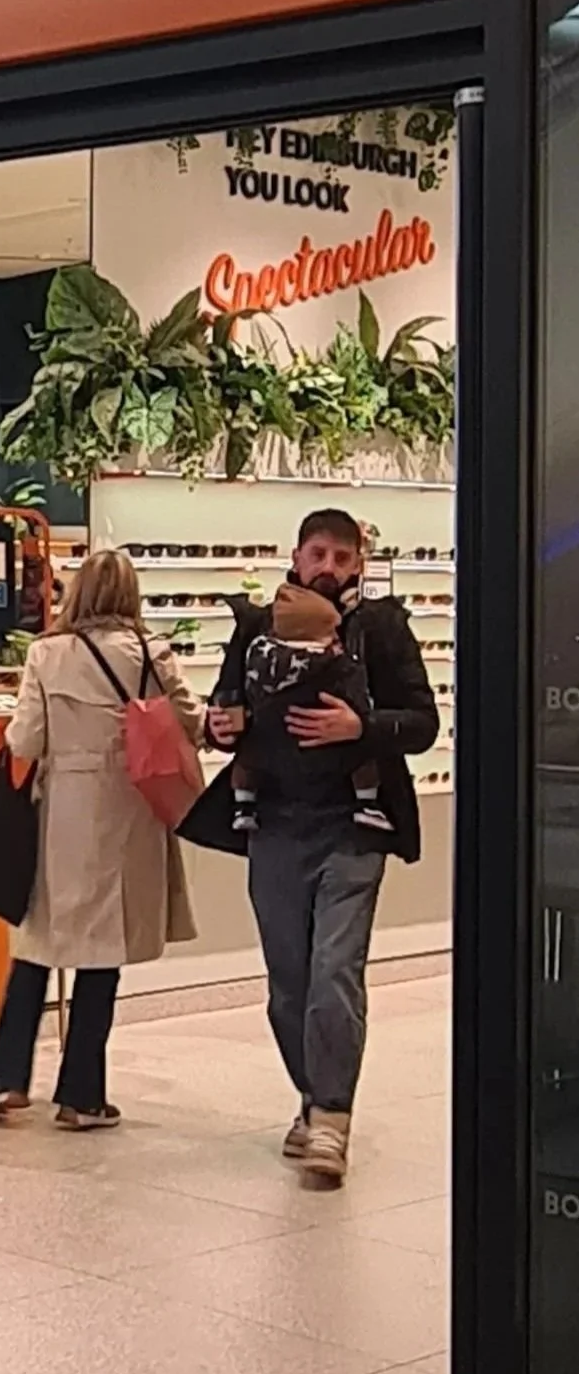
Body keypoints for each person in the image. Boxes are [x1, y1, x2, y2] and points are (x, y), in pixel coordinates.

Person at [200, 506, 437, 1188]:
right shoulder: (253, 624)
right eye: (317, 554)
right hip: (272, 824)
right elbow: (223, 708)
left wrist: (359, 726)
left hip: (354, 828)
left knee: (334, 971)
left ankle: (331, 1117)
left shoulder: (382, 628)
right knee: (287, 985)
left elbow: (421, 721)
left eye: (341, 556)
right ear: (295, 556)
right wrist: (220, 724)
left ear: (357, 563)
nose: (328, 567)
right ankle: (310, 1095)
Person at [0, 548, 202, 1131]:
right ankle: (81, 1092)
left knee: (38, 941)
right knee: (105, 951)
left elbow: (24, 739)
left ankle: (5, 1078)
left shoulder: (48, 654)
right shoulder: (154, 653)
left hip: (62, 813)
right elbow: (190, 722)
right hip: (131, 807)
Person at [229, 580, 390, 838]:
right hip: (328, 757)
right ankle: (368, 804)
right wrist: (362, 721)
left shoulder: (258, 655)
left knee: (247, 761)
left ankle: (244, 804)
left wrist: (232, 725)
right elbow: (356, 698)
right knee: (362, 759)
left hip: (269, 753)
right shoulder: (335, 664)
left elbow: (242, 695)